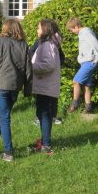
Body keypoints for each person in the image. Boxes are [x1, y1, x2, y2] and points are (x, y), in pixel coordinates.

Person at [0, 19, 32, 163]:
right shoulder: (23, 45)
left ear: (5, 28)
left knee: (4, 118)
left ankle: (8, 152)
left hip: (1, 85)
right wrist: (28, 89)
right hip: (15, 86)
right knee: (2, 116)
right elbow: (29, 70)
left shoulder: (0, 42)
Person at [29, 19, 62, 155]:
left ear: (45, 30)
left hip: (46, 86)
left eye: (39, 28)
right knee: (43, 114)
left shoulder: (48, 44)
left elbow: (49, 65)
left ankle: (46, 144)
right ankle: (44, 141)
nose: (37, 31)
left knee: (44, 114)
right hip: (45, 85)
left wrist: (31, 67)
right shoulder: (49, 44)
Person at [66, 17, 98, 114]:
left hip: (90, 61)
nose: (71, 32)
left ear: (76, 26)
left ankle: (75, 103)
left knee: (76, 81)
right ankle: (88, 107)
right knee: (86, 85)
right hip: (85, 62)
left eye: (72, 29)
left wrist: (96, 58)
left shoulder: (86, 33)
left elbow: (96, 45)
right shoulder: (82, 34)